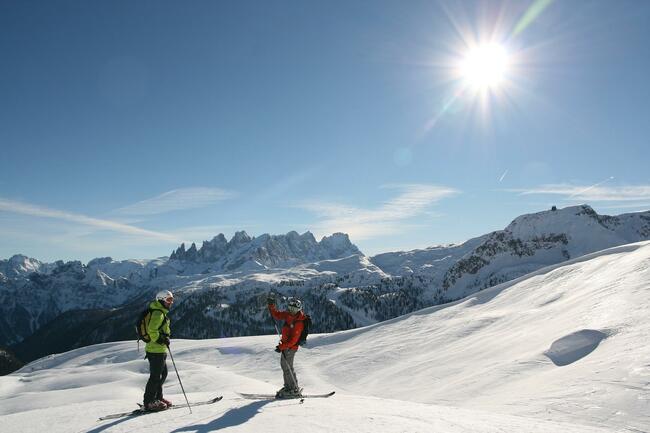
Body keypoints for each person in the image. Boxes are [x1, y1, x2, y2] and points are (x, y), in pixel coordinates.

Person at [267, 295, 306, 398]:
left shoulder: (299, 322)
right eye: (290, 308)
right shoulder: (289, 315)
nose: (291, 310)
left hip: (290, 348)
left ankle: (293, 388)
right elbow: (277, 315)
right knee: (285, 366)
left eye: (294, 309)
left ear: (298, 309)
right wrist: (271, 306)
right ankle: (289, 386)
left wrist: (282, 347)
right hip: (285, 346)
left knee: (287, 367)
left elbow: (294, 341)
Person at [143, 290, 174, 411]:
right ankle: (149, 402)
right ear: (161, 300)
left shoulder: (160, 312)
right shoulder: (157, 313)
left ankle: (158, 397)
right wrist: (162, 339)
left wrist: (163, 339)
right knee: (155, 377)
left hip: (159, 349)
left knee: (163, 374)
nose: (171, 303)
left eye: (172, 300)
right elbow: (152, 331)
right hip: (155, 350)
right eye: (168, 300)